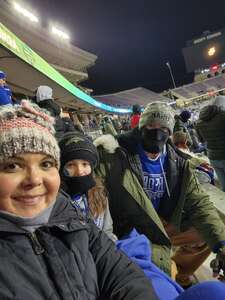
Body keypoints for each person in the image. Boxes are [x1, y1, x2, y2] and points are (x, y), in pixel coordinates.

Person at [0, 100, 158, 299]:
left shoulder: (68, 214)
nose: (34, 180)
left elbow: (122, 275)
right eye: (13, 166)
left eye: (46, 164)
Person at [94, 101, 225, 287]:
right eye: (150, 126)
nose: (156, 132)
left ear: (170, 132)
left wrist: (221, 244)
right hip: (129, 228)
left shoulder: (178, 163)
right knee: (157, 273)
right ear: (140, 128)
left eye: (163, 128)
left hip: (161, 223)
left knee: (205, 233)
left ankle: (181, 273)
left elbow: (198, 203)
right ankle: (167, 274)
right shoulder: (114, 155)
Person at [58, 131, 116, 241]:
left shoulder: (99, 193)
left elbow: (107, 230)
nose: (80, 171)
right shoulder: (56, 201)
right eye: (71, 165)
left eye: (85, 164)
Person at [195, 96, 225, 192]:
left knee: (224, 185)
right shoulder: (223, 116)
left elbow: (201, 140)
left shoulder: (199, 122)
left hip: (213, 158)